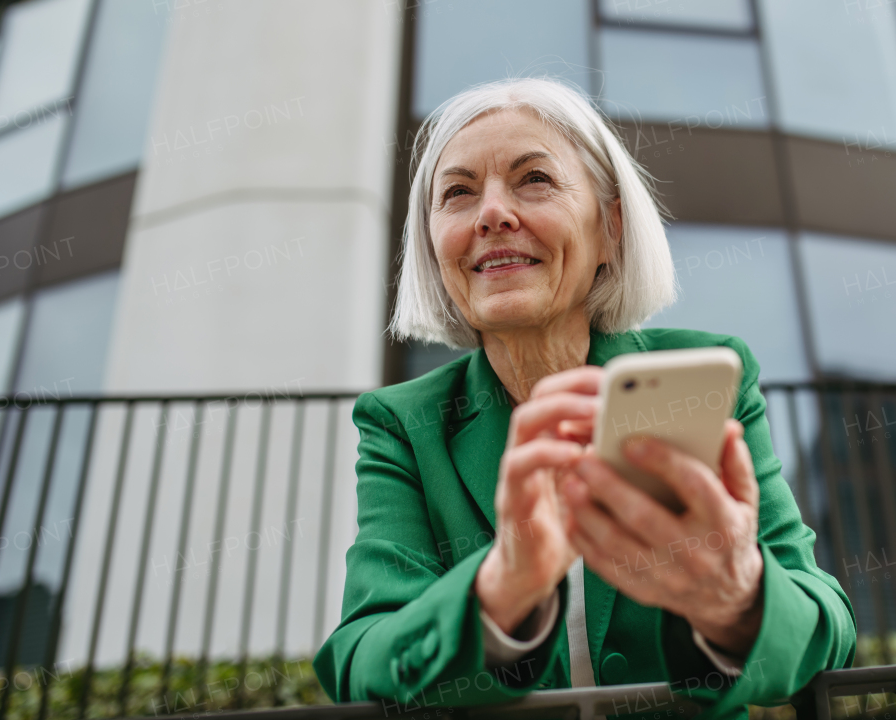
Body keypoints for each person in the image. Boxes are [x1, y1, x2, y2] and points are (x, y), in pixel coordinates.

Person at [312, 77, 856, 719]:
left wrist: (736, 599)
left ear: (610, 229)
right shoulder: (403, 424)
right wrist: (503, 585)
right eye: (457, 193)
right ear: (435, 249)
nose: (491, 213)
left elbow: (828, 631)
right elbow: (361, 659)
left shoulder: (709, 376)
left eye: (534, 179)